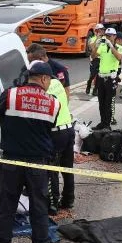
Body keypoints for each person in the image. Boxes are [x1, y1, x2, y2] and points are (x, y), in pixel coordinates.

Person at [0, 60, 60, 243]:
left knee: (7, 206)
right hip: (38, 163)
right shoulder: (53, 102)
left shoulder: (10, 95)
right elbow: (50, 125)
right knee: (39, 208)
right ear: (44, 79)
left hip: (11, 161)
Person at [26, 45, 74, 213]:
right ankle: (69, 200)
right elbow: (66, 99)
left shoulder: (40, 89)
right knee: (67, 168)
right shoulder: (57, 83)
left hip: (55, 133)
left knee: (51, 169)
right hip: (68, 128)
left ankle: (52, 204)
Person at [91, 28, 122, 129]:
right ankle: (102, 122)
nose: (108, 37)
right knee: (101, 102)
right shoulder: (102, 46)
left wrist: (111, 45)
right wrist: (96, 46)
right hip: (101, 76)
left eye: (110, 36)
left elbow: (119, 58)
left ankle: (107, 124)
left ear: (114, 36)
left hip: (111, 78)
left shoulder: (119, 47)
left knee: (108, 103)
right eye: (107, 35)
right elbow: (93, 56)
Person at [85, 23, 105, 96]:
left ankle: (95, 90)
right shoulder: (92, 39)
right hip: (94, 59)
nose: (102, 32)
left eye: (102, 30)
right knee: (93, 75)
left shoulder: (104, 39)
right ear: (96, 31)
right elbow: (92, 48)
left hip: (101, 59)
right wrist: (97, 39)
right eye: (100, 30)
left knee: (99, 75)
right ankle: (89, 84)